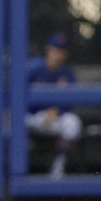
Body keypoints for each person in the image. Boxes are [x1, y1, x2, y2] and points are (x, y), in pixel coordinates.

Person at [25, 32, 83, 179]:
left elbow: (70, 102)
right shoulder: (32, 69)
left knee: (72, 123)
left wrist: (56, 111)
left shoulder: (67, 73)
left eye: (62, 51)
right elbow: (19, 97)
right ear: (48, 50)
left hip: (55, 119)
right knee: (12, 120)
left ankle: (58, 166)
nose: (58, 55)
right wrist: (42, 112)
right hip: (33, 117)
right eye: (55, 50)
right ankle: (19, 168)